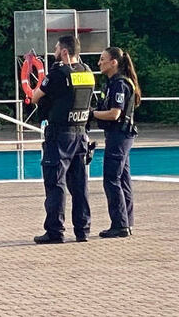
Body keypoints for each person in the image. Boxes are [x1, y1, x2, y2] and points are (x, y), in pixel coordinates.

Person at [30, 35, 95, 244]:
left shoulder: (58, 73)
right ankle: (82, 230)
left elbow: (35, 96)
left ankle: (55, 231)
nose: (54, 51)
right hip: (81, 132)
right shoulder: (87, 72)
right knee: (79, 184)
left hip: (60, 135)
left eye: (57, 48)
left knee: (56, 183)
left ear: (65, 51)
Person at [92, 46, 140, 238]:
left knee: (111, 179)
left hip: (119, 135)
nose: (99, 63)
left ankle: (120, 225)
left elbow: (114, 113)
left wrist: (91, 114)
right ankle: (126, 222)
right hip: (120, 135)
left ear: (114, 63)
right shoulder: (113, 83)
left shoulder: (119, 84)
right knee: (123, 179)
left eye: (103, 59)